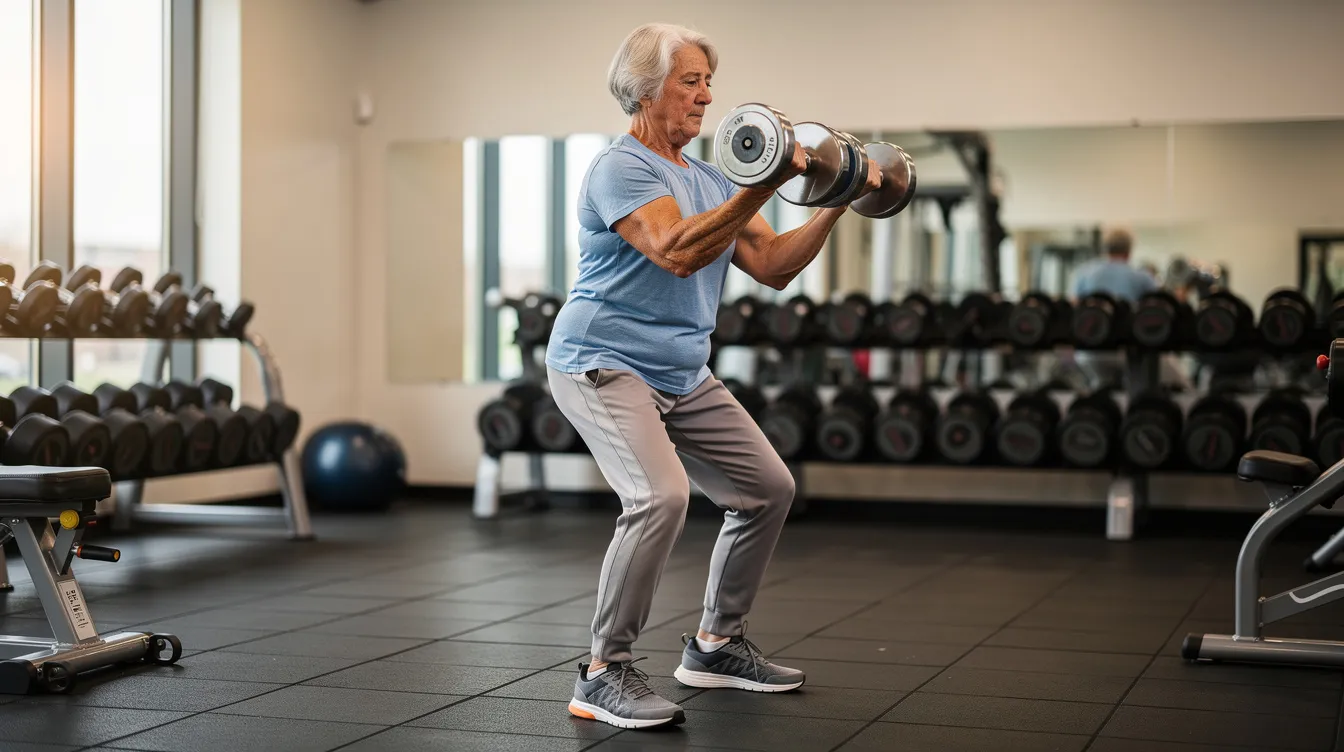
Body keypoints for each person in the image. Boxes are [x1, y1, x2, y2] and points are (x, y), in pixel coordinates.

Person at [544, 23, 880, 730]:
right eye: (690, 81)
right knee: (659, 497)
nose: (706, 96)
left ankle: (716, 646)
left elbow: (775, 269)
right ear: (645, 89)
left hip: (680, 369)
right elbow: (675, 251)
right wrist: (766, 183)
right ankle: (603, 672)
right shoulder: (621, 167)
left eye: (707, 81)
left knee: (767, 489)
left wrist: (840, 196)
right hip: (601, 361)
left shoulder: (712, 177)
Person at [1071, 228, 1156, 303]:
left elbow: (1076, 305)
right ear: (1128, 251)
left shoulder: (1084, 273)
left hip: (1095, 320)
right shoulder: (1144, 277)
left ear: (1106, 249)